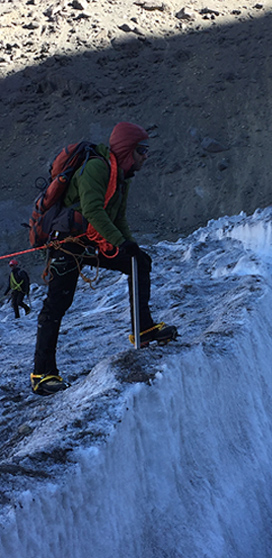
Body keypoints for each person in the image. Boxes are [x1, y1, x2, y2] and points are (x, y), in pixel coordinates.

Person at [32, 122, 177, 396]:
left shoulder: (122, 177)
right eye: (142, 150)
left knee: (140, 262)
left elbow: (117, 217)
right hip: (67, 241)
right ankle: (42, 373)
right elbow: (92, 210)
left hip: (89, 239)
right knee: (58, 303)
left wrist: (130, 245)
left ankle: (143, 329)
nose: (146, 156)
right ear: (127, 150)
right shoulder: (98, 168)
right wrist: (121, 243)